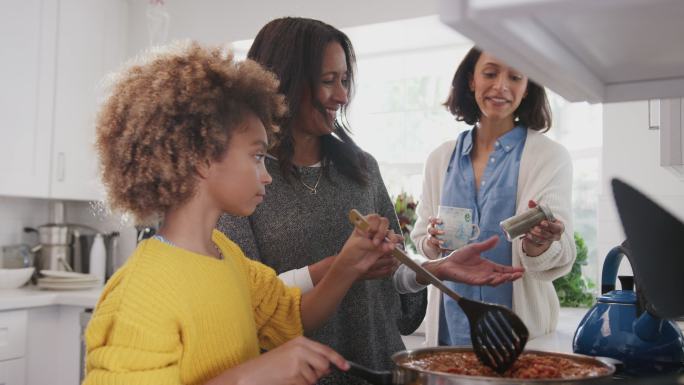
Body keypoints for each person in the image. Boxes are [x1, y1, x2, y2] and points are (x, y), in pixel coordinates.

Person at [217, 18, 524, 384]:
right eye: (328, 80)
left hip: (380, 370)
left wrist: (436, 268)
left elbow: (389, 274)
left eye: (345, 80)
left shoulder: (360, 168)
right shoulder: (242, 180)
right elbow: (241, 304)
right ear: (285, 80)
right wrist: (341, 265)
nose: (343, 95)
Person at [83, 41, 403, 385]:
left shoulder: (226, 255)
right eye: (256, 156)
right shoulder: (139, 292)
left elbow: (291, 317)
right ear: (202, 158)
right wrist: (250, 376)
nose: (266, 174)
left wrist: (349, 263)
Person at [411, 47, 577, 347]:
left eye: (515, 77)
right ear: (472, 80)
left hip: (520, 339)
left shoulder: (550, 157)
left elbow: (561, 251)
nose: (501, 86)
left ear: (527, 88)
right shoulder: (440, 159)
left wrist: (540, 243)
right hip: (450, 333)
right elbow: (422, 237)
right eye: (490, 73)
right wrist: (432, 242)